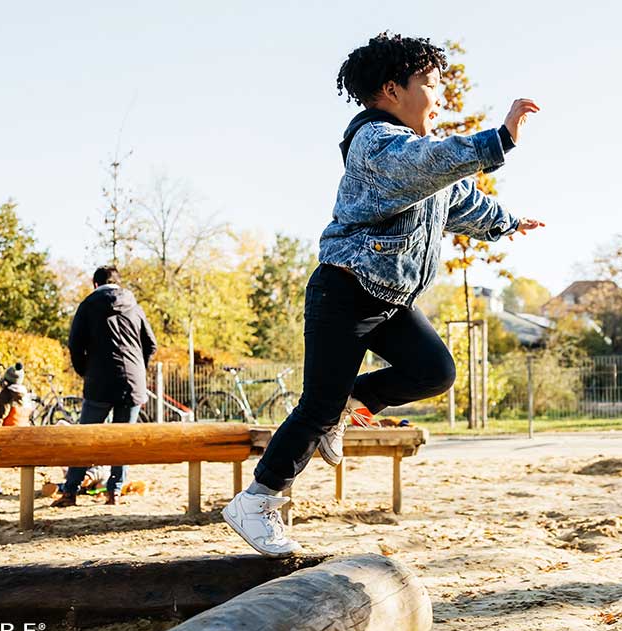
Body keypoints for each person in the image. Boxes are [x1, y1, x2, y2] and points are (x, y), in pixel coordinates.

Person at [223, 32, 545, 557]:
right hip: (345, 292)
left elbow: (460, 200)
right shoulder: (377, 143)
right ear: (393, 90)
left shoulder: (419, 160)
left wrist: (508, 222)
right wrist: (499, 138)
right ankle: (257, 500)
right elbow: (431, 163)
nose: (438, 98)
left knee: (435, 371)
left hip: (390, 299)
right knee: (317, 405)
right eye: (430, 86)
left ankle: (357, 402)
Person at [62, 265, 156, 507]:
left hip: (100, 382)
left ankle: (70, 491)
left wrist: (86, 371)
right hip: (133, 383)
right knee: (122, 440)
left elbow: (74, 344)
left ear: (95, 284)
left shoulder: (88, 306)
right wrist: (138, 370)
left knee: (85, 438)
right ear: (118, 282)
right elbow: (151, 344)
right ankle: (113, 492)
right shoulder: (134, 306)